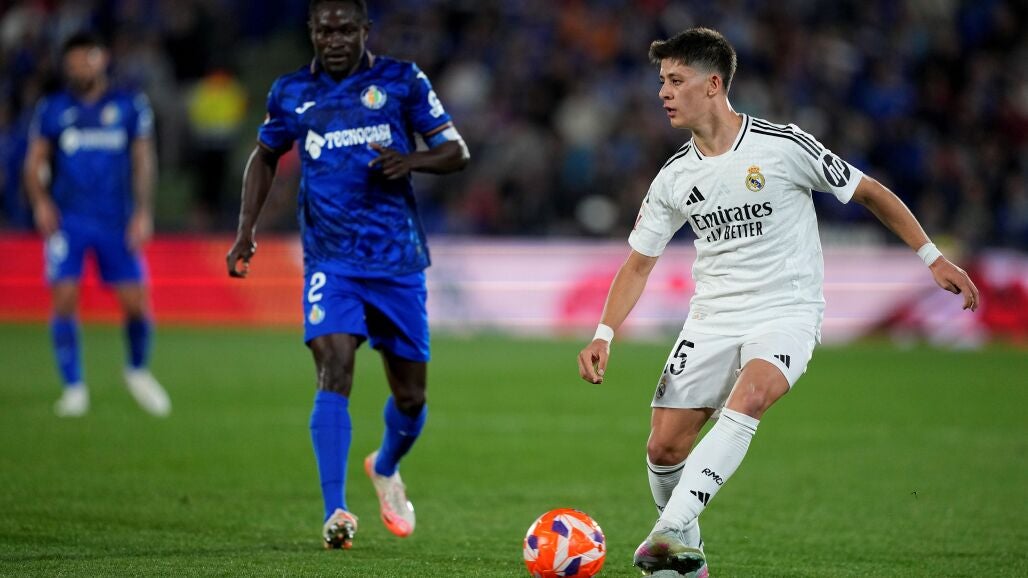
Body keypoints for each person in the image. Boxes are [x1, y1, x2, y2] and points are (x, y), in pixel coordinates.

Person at [576, 27, 978, 577]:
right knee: (664, 449)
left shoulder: (783, 146)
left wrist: (932, 256)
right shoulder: (674, 177)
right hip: (713, 316)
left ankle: (667, 531)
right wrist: (603, 333)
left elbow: (869, 192)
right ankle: (686, 557)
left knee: (751, 396)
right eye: (662, 81)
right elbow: (639, 263)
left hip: (787, 310)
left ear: (712, 84)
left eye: (676, 80)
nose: (663, 92)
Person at [226, 0, 469, 550]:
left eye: (344, 30)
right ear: (311, 32)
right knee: (333, 367)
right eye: (324, 30)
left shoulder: (402, 81)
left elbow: (455, 151)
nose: (333, 39)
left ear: (365, 30)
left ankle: (385, 467)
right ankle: (335, 510)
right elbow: (265, 156)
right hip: (330, 260)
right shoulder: (291, 92)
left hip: (397, 261)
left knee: (411, 398)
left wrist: (411, 161)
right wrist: (245, 231)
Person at [24, 32, 170, 418]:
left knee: (135, 303)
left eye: (85, 59)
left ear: (101, 58)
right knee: (64, 298)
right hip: (69, 220)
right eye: (72, 62)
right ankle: (73, 387)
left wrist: (143, 211)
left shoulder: (129, 105)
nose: (78, 68)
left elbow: (143, 160)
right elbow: (34, 161)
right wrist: (40, 202)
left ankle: (137, 370)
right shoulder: (53, 108)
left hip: (116, 220)